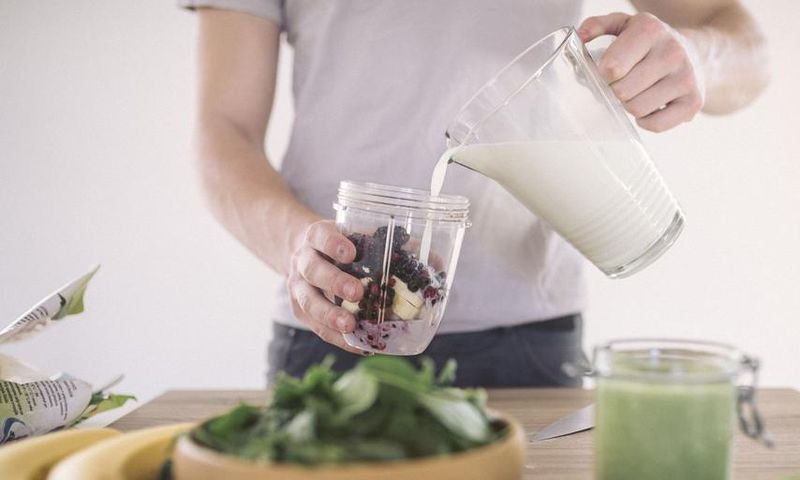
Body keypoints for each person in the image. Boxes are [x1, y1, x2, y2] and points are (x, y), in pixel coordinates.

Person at [181, 0, 768, 387]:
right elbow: (223, 133)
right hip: (336, 328)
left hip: (530, 339)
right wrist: (298, 250)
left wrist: (696, 57)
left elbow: (748, 48)